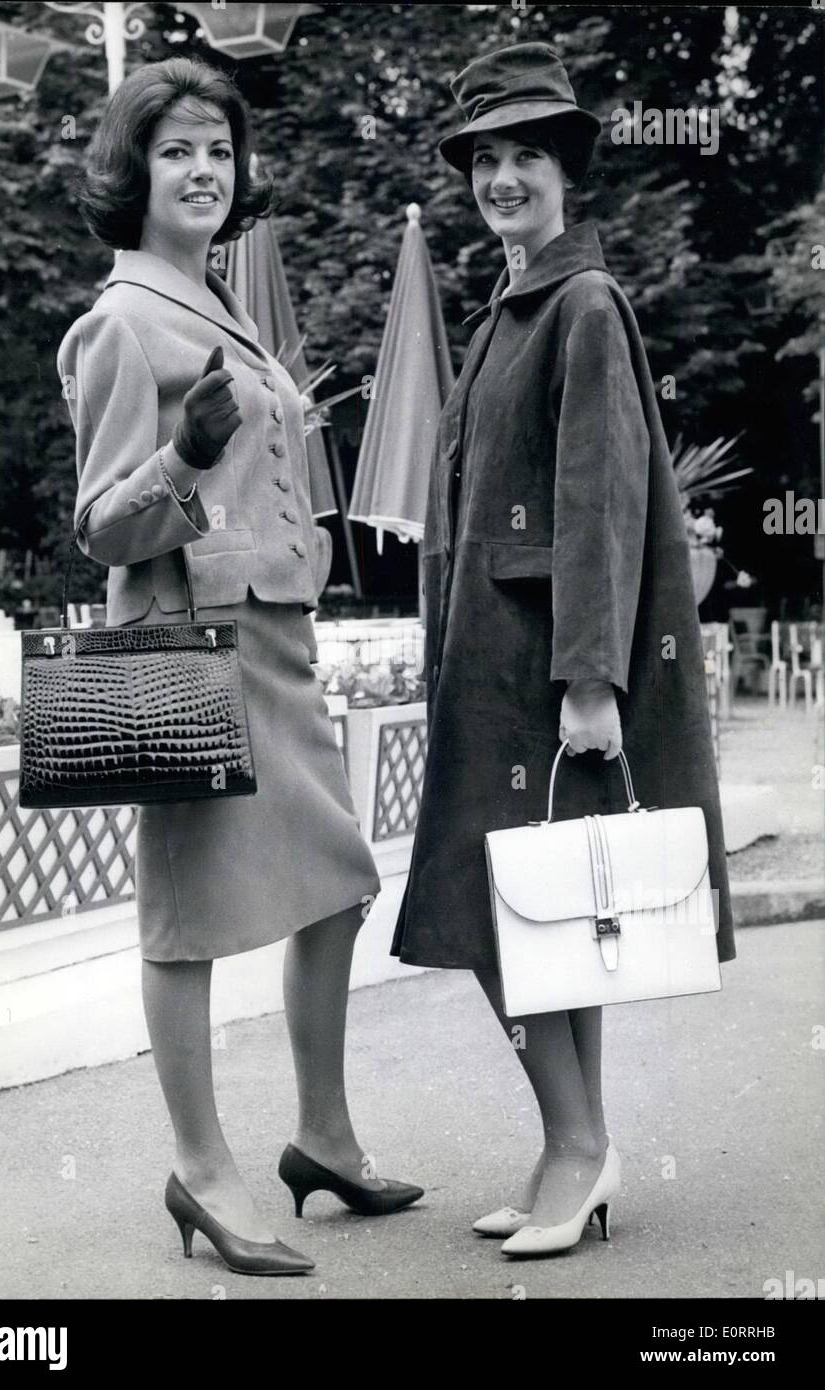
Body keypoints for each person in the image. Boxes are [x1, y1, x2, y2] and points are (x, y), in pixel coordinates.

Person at [57, 55, 422, 1278]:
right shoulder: (121, 320)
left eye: (218, 149)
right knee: (188, 920)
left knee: (341, 880)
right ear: (136, 171)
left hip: (274, 639)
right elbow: (101, 526)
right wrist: (180, 458)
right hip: (186, 654)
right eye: (177, 151)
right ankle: (204, 1172)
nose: (204, 169)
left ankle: (320, 1135)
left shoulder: (220, 303)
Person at [391, 42, 736, 1256]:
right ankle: (570, 1149)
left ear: (566, 169)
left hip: (541, 676)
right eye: (485, 157)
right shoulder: (516, 303)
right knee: (543, 920)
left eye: (525, 153)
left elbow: (600, 502)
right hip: (499, 664)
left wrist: (592, 678)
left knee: (500, 916)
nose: (501, 177)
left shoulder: (579, 305)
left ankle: (579, 1146)